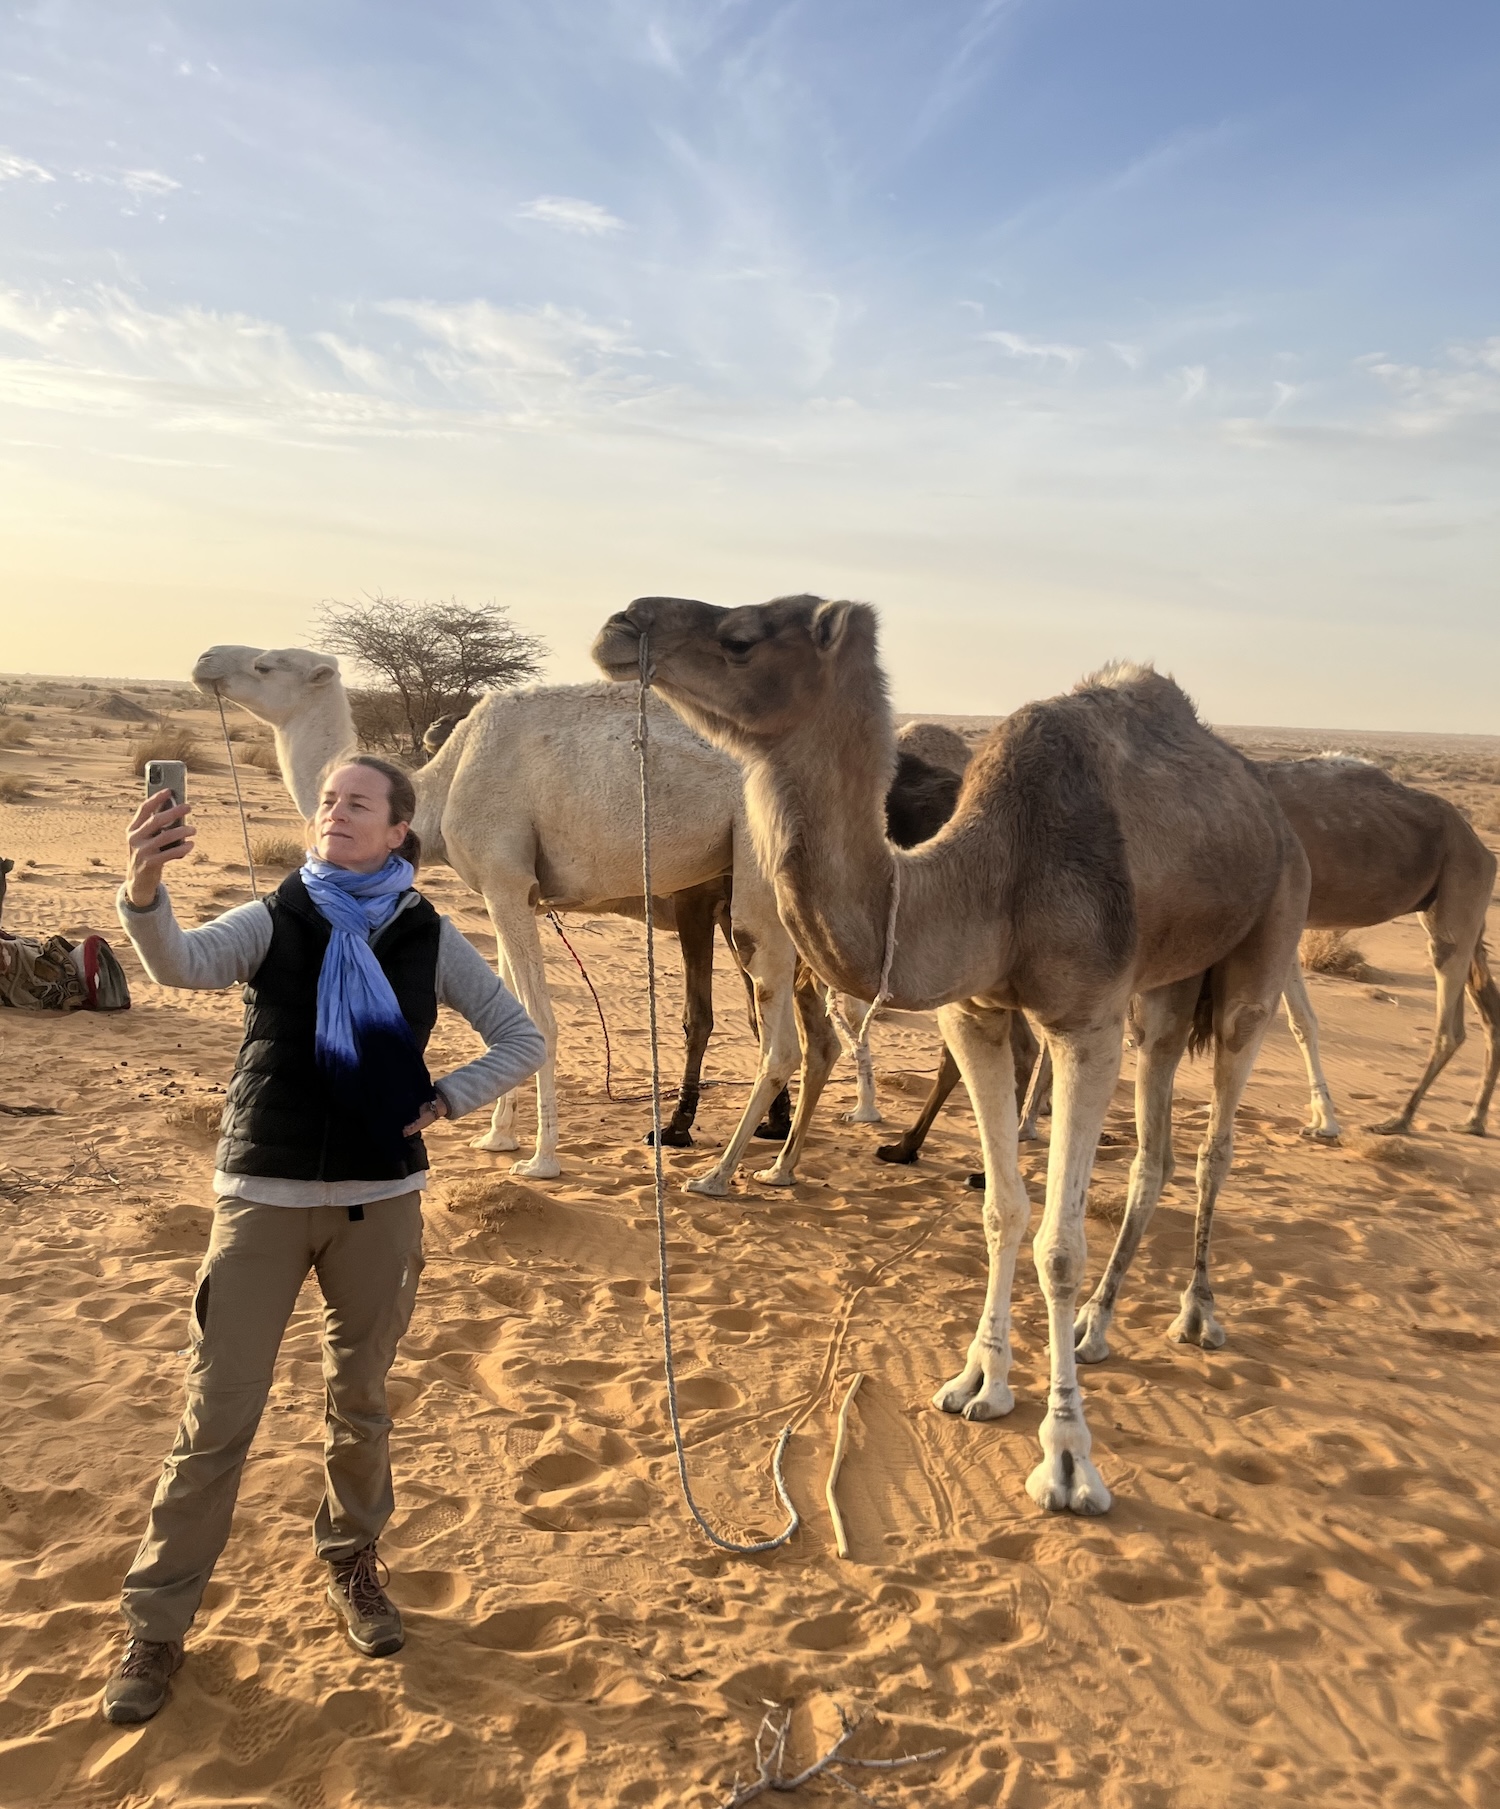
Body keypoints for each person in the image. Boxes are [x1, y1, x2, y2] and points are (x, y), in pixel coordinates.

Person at [100, 756, 546, 1725]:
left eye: (357, 803)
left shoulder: (429, 934)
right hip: (262, 1196)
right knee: (217, 1415)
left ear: (397, 833)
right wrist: (144, 885)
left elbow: (521, 1037)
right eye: (327, 801)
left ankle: (352, 1561)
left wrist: (449, 1097)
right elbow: (178, 963)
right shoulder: (279, 914)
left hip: (380, 1202)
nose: (334, 812)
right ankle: (157, 1624)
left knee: (361, 1400)